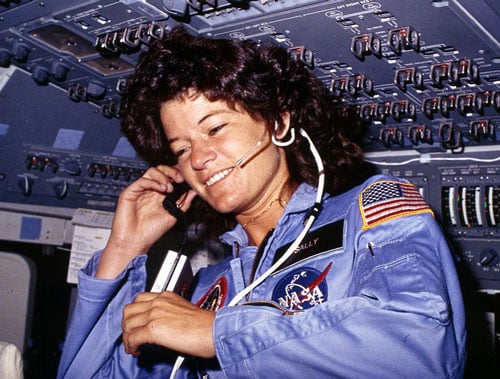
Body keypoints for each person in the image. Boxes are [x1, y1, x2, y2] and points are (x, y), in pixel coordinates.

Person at [57, 26, 466, 378]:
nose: (198, 159)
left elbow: (420, 350)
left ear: (279, 122)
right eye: (181, 149)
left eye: (215, 128)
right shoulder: (206, 289)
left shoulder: (371, 209)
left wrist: (215, 333)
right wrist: (123, 250)